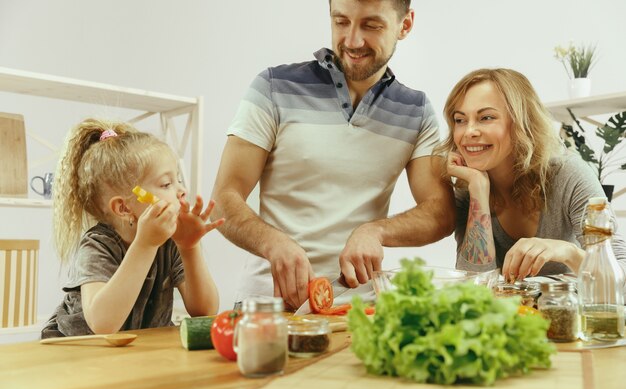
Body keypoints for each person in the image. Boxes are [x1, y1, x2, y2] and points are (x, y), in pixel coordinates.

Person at [211, 0, 455, 310]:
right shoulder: (274, 87)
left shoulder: (416, 111)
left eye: (371, 25)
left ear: (404, 25)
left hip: (359, 312)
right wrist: (271, 242)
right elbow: (223, 198)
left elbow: (441, 212)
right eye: (341, 22)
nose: (352, 41)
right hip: (266, 306)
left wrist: (376, 231)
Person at [41, 119, 224, 338]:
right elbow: (103, 325)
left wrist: (189, 248)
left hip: (136, 351)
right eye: (166, 184)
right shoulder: (97, 245)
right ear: (124, 207)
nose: (182, 190)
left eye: (178, 180)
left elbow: (204, 311)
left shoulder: (171, 240)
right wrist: (145, 244)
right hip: (78, 352)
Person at [439, 68, 626, 281]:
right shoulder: (469, 187)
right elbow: (473, 284)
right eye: (460, 120)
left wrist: (568, 252)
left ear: (521, 123)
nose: (469, 131)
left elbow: (620, 272)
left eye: (486, 117)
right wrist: (479, 191)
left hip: (565, 311)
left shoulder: (568, 174)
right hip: (513, 314)